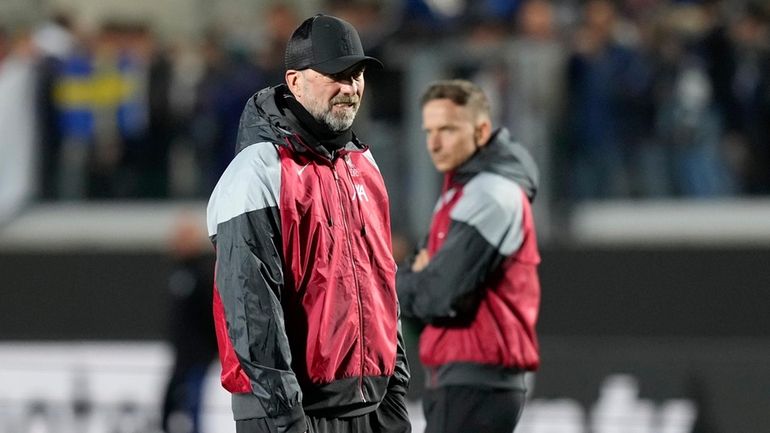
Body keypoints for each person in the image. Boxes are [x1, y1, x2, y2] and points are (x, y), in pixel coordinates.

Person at [206, 14, 410, 433]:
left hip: (365, 409)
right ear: (295, 81)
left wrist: (392, 399)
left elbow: (382, 287)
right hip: (289, 414)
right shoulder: (258, 171)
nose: (350, 88)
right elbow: (250, 308)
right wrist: (285, 418)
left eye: (356, 75)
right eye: (335, 74)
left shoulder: (363, 165)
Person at [396, 79, 541, 433]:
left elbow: (440, 295)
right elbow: (426, 284)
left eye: (447, 129)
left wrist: (404, 283)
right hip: (461, 375)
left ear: (481, 130)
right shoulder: (462, 191)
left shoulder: (490, 194)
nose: (434, 142)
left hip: (477, 379)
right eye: (429, 130)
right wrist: (418, 280)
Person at [161, 215, 218, 433]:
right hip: (180, 356)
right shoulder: (177, 272)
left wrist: (214, 348)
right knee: (169, 409)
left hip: (198, 356)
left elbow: (209, 313)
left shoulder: (203, 273)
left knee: (193, 409)